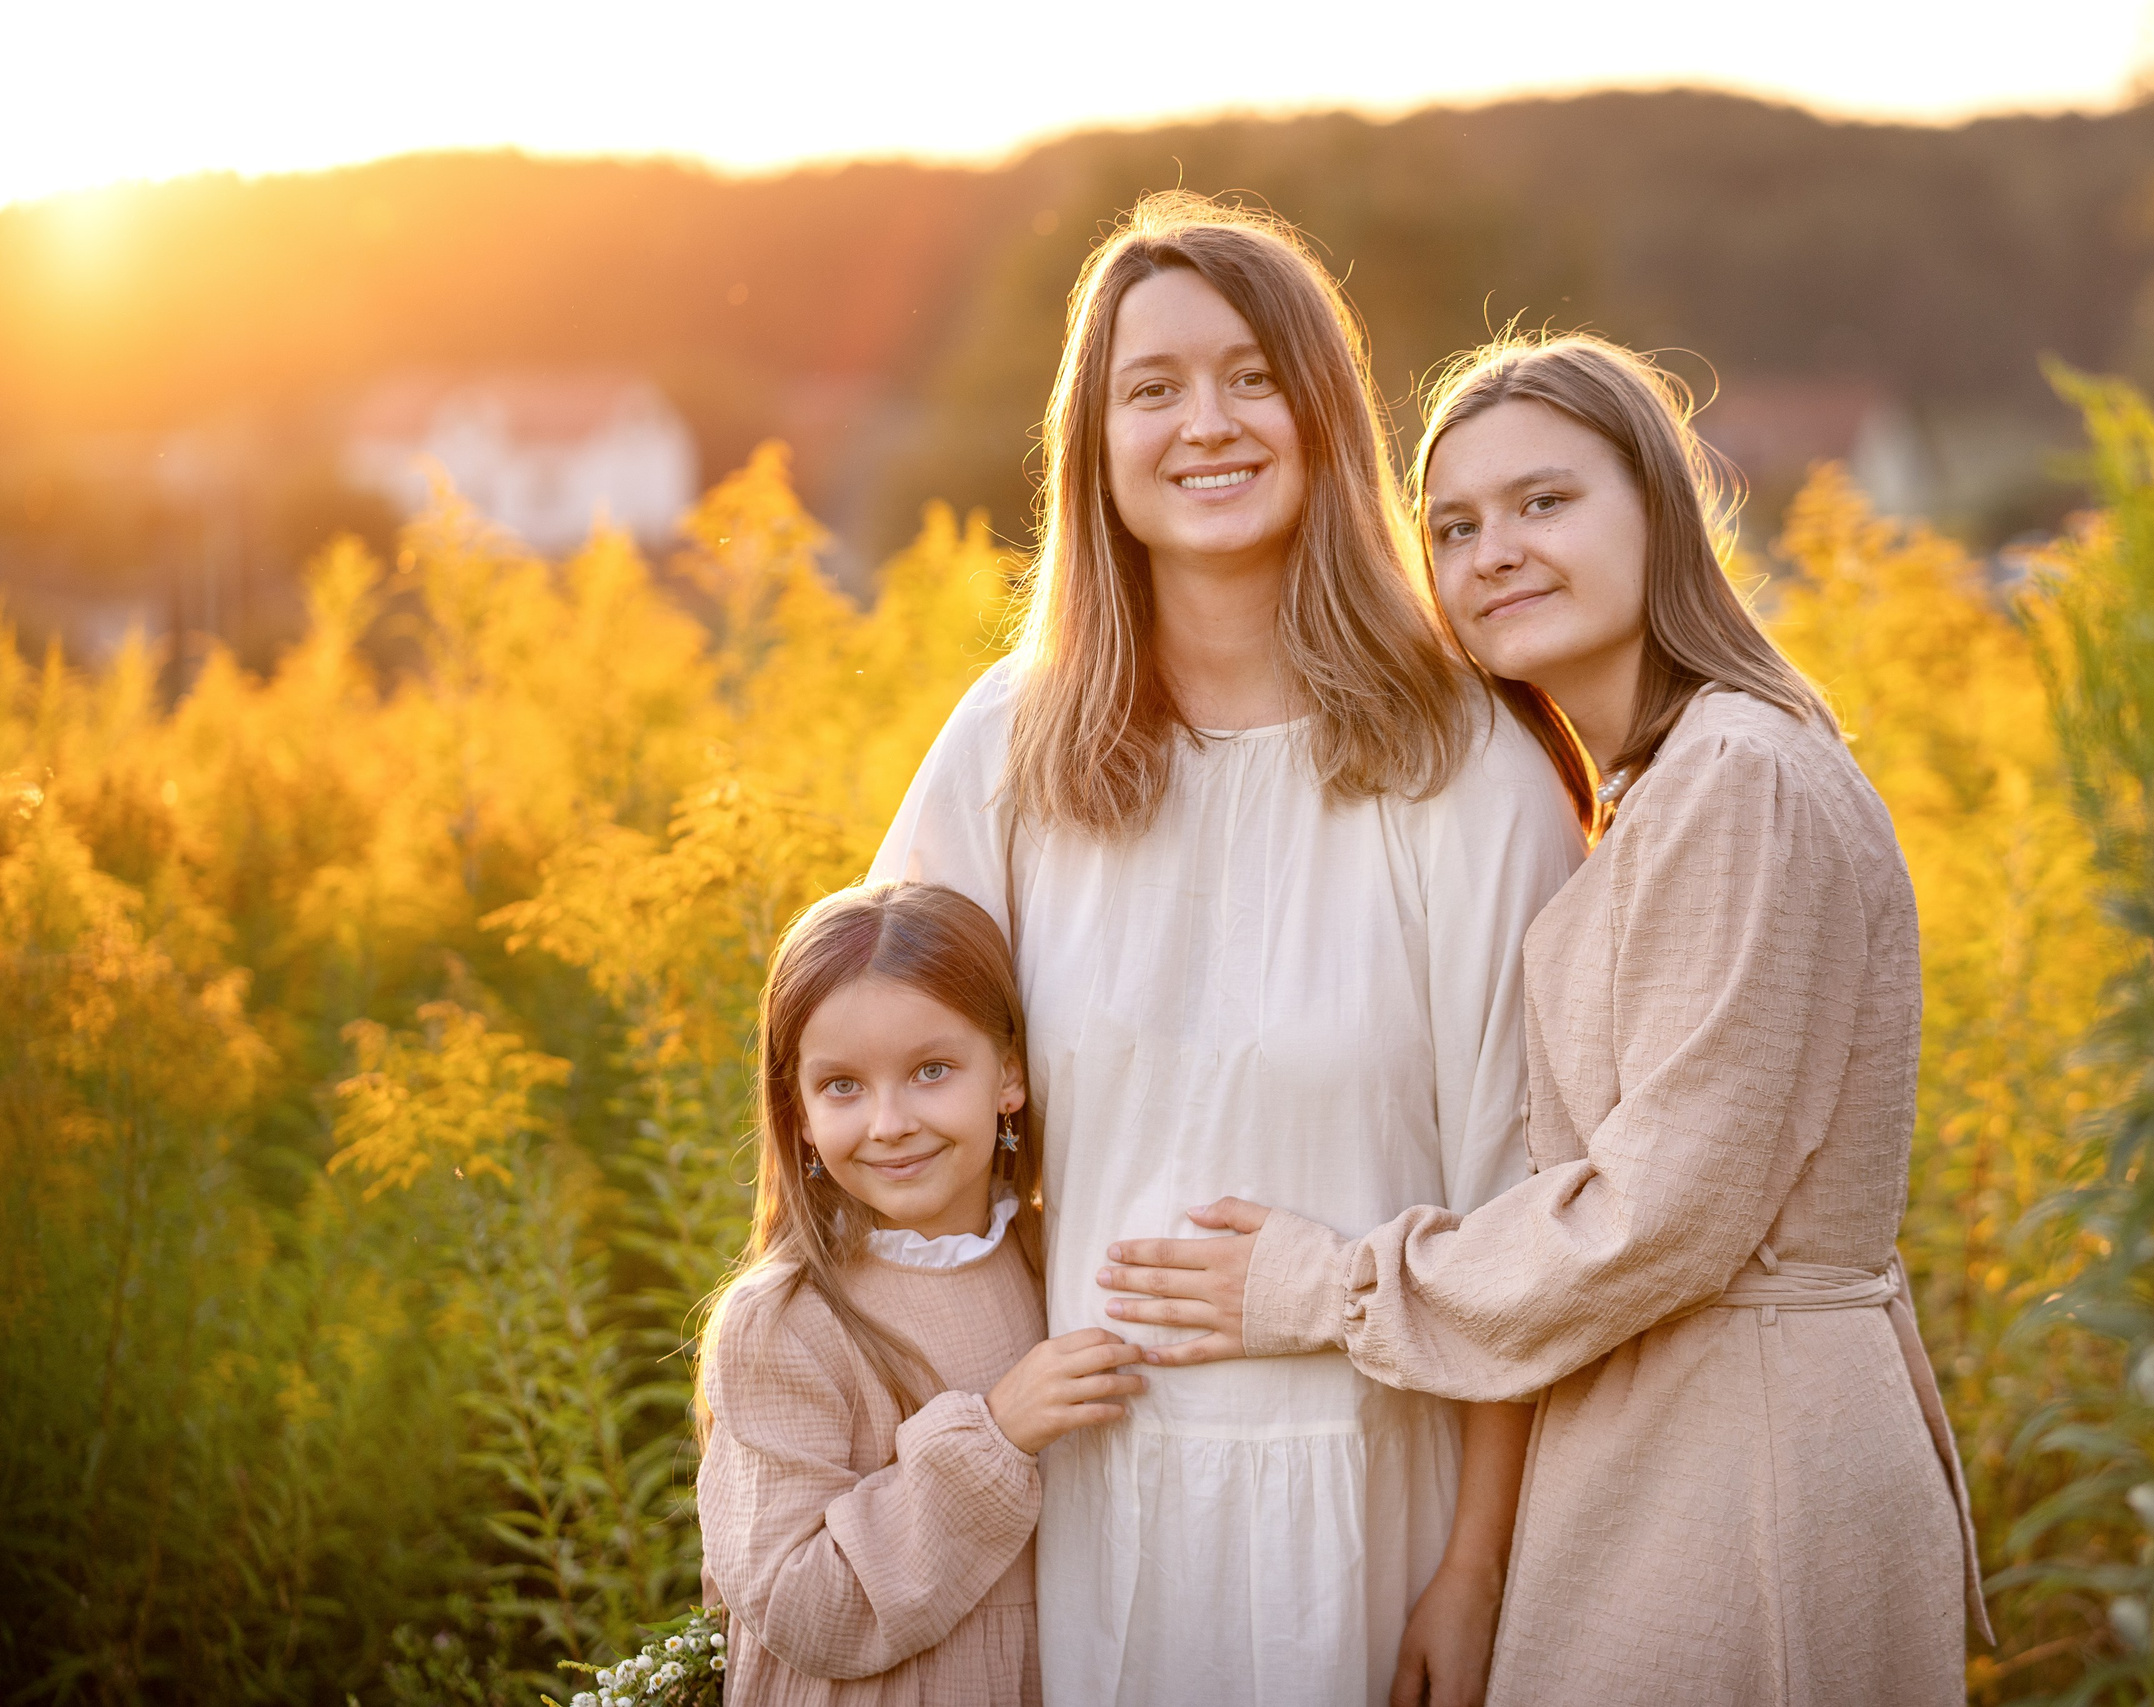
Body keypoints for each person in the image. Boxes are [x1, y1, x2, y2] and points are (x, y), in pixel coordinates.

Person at [1097, 334, 1993, 1706]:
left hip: (1738, 1474)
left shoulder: (1732, 777)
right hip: (1683, 1444)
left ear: (1660, 508)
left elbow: (1669, 1208)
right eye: (1453, 526)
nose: (1492, 550)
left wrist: (1319, 1283)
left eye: (1545, 502)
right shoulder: (1668, 782)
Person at [866, 194, 1586, 1707]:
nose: (1209, 421)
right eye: (1153, 386)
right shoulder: (1008, 746)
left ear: (1325, 417)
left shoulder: (1466, 763)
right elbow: (883, 1118)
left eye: (1254, 375)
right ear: (1095, 445)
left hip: (1382, 1500)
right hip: (1089, 1510)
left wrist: (1477, 1568)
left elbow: (1529, 1207)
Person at [696, 881, 1149, 1705]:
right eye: (842, 1086)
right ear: (796, 1110)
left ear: (1009, 1074)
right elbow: (800, 1604)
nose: (890, 1121)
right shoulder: (784, 1323)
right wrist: (995, 1435)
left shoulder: (1056, 1259)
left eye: (930, 1070)